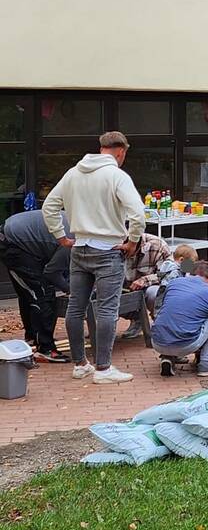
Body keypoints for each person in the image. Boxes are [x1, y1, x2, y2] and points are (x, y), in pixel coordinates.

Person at [42, 131, 145, 384]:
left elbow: (49, 207)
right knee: (107, 308)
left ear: (101, 149)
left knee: (76, 307)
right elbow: (138, 213)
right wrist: (132, 242)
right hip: (108, 249)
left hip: (79, 247)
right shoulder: (117, 176)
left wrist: (61, 237)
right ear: (121, 152)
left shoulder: (73, 173)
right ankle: (103, 368)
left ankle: (80, 365)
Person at [0, 210, 72, 363]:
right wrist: (70, 289)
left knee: (28, 292)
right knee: (43, 294)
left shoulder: (80, 222)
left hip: (16, 235)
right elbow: (51, 273)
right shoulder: (73, 241)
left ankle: (33, 337)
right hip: (14, 243)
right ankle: (46, 349)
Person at [150, 261, 208, 377]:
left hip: (157, 342)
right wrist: (207, 346)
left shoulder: (173, 284)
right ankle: (206, 364)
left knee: (173, 315)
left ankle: (168, 357)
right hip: (186, 344)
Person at [117, 232, 172, 340]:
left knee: (155, 293)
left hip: (148, 287)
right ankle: (137, 318)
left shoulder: (157, 245)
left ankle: (161, 326)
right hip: (122, 288)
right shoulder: (110, 244)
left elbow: (168, 274)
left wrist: (145, 280)